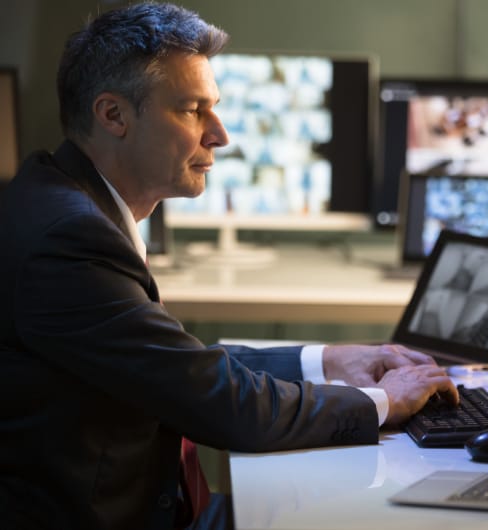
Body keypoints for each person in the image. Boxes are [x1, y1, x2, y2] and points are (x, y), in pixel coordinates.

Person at [0, 3, 458, 530]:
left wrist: (329, 361)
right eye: (193, 110)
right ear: (113, 115)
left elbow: (176, 368)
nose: (219, 134)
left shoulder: (65, 198)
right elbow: (220, 405)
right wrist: (380, 401)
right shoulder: (70, 240)